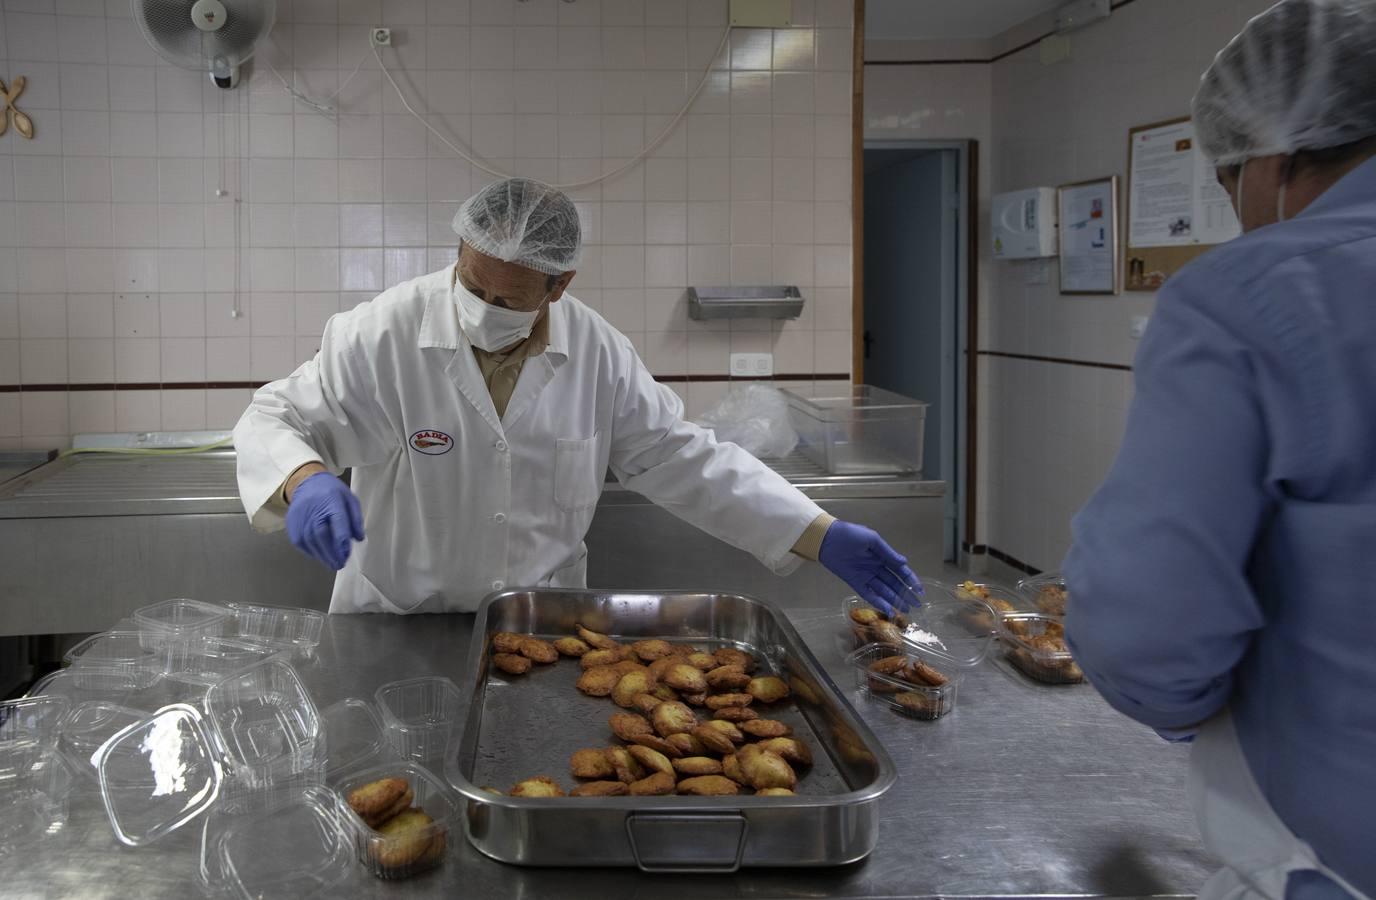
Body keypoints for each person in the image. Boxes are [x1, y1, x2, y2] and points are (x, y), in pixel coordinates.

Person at [234, 177, 921, 617]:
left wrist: (815, 532)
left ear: (558, 286)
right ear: (459, 251)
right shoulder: (383, 331)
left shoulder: (598, 353)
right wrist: (306, 478)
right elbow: (277, 414)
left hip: (540, 626)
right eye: (471, 287)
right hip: (398, 619)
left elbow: (682, 458)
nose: (481, 308)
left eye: (507, 298)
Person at [1063, 2, 1376, 899]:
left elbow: (1149, 614)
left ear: (1271, 160)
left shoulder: (1262, 291)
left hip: (1334, 847)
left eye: (1228, 179)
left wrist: (1179, 709)